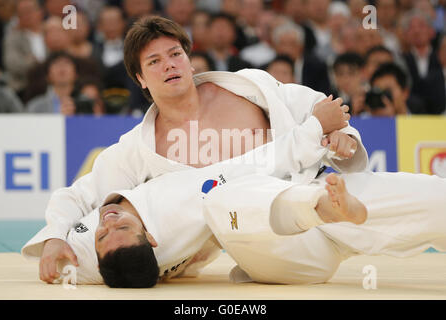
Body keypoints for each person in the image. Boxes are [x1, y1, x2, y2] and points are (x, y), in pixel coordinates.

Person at [33, 16, 363, 284]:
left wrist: (342, 135)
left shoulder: (246, 86)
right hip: (264, 242)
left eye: (175, 54)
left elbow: (315, 107)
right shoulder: (138, 147)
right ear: (140, 79)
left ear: (189, 61)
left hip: (318, 189)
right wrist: (54, 237)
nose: (169, 65)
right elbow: (78, 195)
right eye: (154, 61)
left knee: (404, 201)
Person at [22, 150, 446, 287]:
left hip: (319, 191)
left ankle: (322, 206)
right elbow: (91, 267)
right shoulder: (108, 254)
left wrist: (56, 235)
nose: (108, 222)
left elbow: (69, 197)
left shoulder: (108, 191)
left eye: (105, 229)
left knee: (435, 199)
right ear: (150, 238)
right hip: (282, 245)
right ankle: (315, 207)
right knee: (218, 198)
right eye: (116, 230)